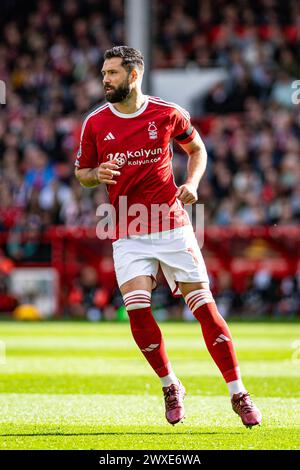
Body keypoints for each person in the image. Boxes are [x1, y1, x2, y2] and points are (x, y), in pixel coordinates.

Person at [75, 46, 262, 428]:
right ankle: (170, 383)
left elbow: (197, 148)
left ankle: (238, 393)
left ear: (133, 75)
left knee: (205, 309)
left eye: (111, 73)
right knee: (138, 309)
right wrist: (98, 174)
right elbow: (82, 173)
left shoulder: (167, 113)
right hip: (126, 227)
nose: (104, 80)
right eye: (103, 73)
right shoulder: (94, 123)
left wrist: (192, 182)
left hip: (171, 223)